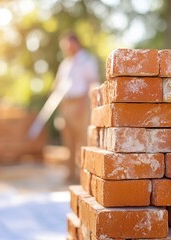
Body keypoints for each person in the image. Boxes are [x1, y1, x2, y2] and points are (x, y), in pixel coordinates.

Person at [54, 31, 100, 183]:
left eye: (68, 45)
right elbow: (58, 85)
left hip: (81, 103)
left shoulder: (87, 60)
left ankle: (84, 174)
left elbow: (92, 82)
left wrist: (84, 104)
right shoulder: (65, 64)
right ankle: (70, 174)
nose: (66, 48)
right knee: (68, 141)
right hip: (66, 104)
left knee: (82, 139)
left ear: (76, 43)